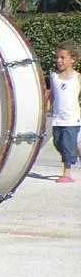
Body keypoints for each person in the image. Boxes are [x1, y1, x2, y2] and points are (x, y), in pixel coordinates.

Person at [47, 40, 80, 183]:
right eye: (57, 57)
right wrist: (46, 110)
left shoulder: (78, 77)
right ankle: (76, 150)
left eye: (62, 57)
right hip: (57, 119)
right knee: (58, 143)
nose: (58, 60)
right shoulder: (54, 77)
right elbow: (52, 96)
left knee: (67, 146)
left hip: (72, 119)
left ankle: (67, 173)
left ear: (73, 59)